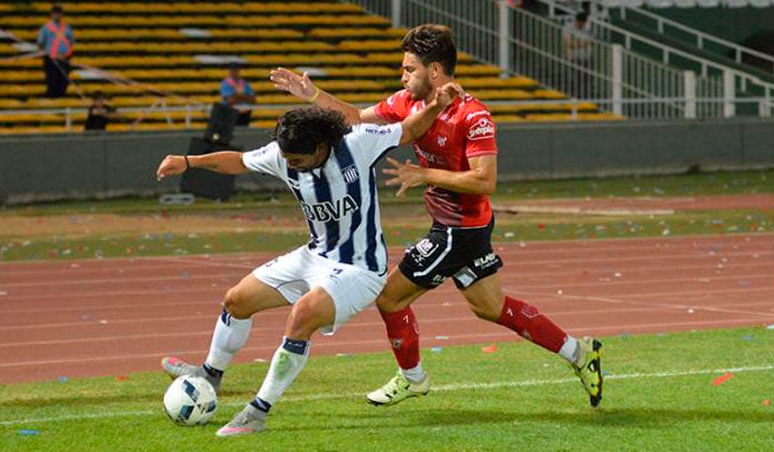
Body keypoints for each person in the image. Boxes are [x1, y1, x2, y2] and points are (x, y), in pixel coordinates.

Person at [270, 23, 603, 409]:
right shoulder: (406, 104)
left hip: (459, 229)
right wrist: (313, 96)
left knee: (390, 298)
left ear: (436, 71)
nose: (403, 76)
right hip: (457, 228)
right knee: (490, 308)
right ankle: (580, 352)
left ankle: (413, 379)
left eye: (410, 69)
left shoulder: (473, 115)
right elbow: (354, 118)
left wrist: (424, 174)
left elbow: (485, 180)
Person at [157, 89, 459, 437]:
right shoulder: (284, 154)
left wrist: (436, 105)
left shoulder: (358, 144)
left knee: (301, 317)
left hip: (360, 269)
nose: (289, 164)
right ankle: (211, 373)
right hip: (314, 255)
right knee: (236, 300)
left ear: (319, 148)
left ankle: (258, 411)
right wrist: (189, 161)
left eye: (297, 160)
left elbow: (406, 130)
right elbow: (238, 161)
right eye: (286, 158)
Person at [36, 4, 74, 98]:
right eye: (55, 13)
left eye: (59, 13)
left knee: (64, 79)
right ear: (51, 15)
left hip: (65, 58)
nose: (57, 15)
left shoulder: (67, 27)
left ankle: (61, 96)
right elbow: (40, 42)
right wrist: (49, 53)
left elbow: (71, 41)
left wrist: (65, 54)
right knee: (52, 79)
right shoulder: (46, 28)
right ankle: (52, 97)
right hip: (51, 58)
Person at [562, 12, 594, 99]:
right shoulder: (568, 28)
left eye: (584, 22)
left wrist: (577, 44)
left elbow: (589, 42)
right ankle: (575, 97)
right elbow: (569, 44)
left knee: (587, 80)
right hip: (574, 58)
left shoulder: (588, 29)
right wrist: (581, 45)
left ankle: (585, 97)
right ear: (577, 21)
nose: (582, 24)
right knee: (575, 79)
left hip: (586, 58)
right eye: (580, 22)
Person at [220, 62, 256, 126]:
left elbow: (252, 99)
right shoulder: (226, 83)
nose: (235, 72)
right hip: (231, 113)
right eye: (233, 70)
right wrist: (244, 97)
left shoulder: (244, 83)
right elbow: (230, 100)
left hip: (244, 113)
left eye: (236, 70)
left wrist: (236, 96)